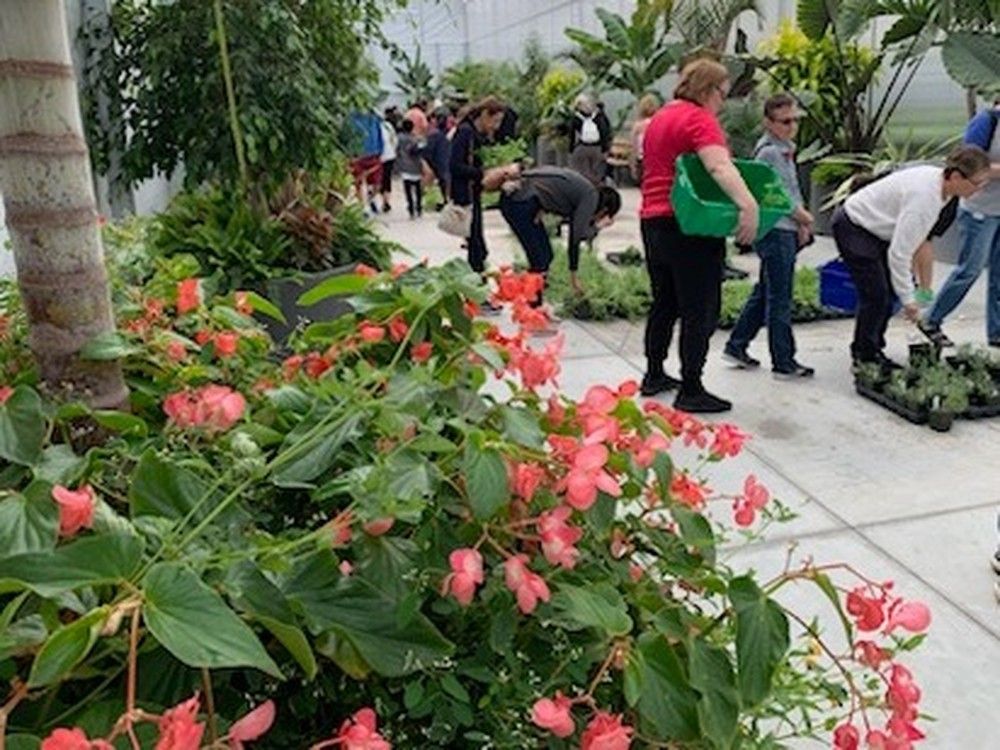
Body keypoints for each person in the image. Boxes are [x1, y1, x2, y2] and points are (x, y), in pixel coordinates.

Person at [638, 58, 759, 413]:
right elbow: (719, 165)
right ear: (708, 91)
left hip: (653, 221)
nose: (722, 102)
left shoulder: (661, 116)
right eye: (722, 94)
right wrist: (747, 205)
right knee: (699, 308)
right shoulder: (697, 118)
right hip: (689, 225)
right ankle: (691, 388)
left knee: (664, 303)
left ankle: (654, 374)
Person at [831, 145, 991, 368]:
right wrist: (910, 301)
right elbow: (900, 254)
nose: (980, 189)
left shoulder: (941, 188)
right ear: (956, 176)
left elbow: (917, 244)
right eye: (977, 183)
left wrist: (917, 293)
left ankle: (874, 346)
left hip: (877, 229)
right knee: (876, 295)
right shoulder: (924, 200)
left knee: (886, 292)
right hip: (855, 225)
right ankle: (865, 356)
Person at [723, 93, 816, 379]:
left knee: (766, 290)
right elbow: (777, 196)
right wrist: (803, 217)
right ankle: (783, 361)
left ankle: (737, 345)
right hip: (776, 230)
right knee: (780, 297)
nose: (791, 126)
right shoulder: (770, 153)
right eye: (785, 121)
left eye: (794, 120)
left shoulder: (784, 148)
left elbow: (790, 189)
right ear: (768, 122)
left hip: (785, 228)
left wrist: (801, 222)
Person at [919, 97, 1000, 348]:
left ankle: (996, 332)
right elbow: (967, 165)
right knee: (970, 269)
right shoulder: (987, 122)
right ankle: (931, 319)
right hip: (979, 209)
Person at [499, 167, 622, 304]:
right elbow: (576, 237)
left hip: (521, 199)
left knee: (545, 255)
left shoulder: (587, 191)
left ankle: (534, 306)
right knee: (540, 259)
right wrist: (574, 275)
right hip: (520, 203)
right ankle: (532, 309)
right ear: (605, 210)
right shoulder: (590, 198)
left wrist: (542, 205)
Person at [449, 96, 511, 275]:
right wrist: (482, 173)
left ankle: (477, 285)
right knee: (476, 246)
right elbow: (455, 165)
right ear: (484, 115)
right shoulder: (465, 132)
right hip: (465, 194)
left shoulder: (476, 134)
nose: (496, 126)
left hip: (473, 193)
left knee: (477, 245)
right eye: (495, 120)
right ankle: (476, 286)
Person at [568, 94, 611, 186]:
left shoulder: (576, 118)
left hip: (582, 147)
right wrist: (605, 148)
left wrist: (571, 149)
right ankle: (597, 189)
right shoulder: (598, 117)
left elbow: (572, 134)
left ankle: (584, 188)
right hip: (597, 148)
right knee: (597, 172)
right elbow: (605, 131)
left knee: (582, 172)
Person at [348, 110, 384, 215]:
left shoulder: (374, 118)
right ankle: (362, 207)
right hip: (357, 155)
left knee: (376, 183)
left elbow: (379, 135)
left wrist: (381, 150)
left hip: (373, 154)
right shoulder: (351, 118)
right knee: (358, 182)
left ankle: (370, 199)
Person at [396, 119, 424, 218]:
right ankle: (419, 207)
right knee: (418, 189)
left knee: (407, 189)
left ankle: (411, 208)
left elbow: (397, 151)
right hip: (416, 166)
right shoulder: (416, 138)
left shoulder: (399, 138)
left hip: (405, 167)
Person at [425, 111, 452, 209]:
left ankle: (444, 200)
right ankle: (445, 200)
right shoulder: (441, 135)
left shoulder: (434, 135)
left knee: (443, 181)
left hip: (439, 162)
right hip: (442, 161)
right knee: (444, 181)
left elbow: (428, 151)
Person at [630, 94, 659, 184]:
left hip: (641, 158)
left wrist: (632, 162)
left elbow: (634, 145)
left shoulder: (638, 126)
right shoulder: (658, 123)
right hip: (655, 158)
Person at [378, 109, 398, 213]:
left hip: (378, 157)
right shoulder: (388, 126)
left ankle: (374, 201)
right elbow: (394, 140)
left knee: (377, 180)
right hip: (390, 156)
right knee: (387, 179)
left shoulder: (375, 126)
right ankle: (386, 202)